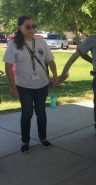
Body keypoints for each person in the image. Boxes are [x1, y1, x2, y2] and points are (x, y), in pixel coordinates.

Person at [3, 15, 59, 154]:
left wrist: (55, 76)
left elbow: (50, 61)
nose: (32, 29)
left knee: (41, 113)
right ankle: (25, 141)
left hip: (42, 85)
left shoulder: (41, 42)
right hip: (24, 86)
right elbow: (8, 67)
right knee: (27, 114)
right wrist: (12, 86)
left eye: (34, 26)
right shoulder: (14, 44)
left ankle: (43, 138)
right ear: (19, 28)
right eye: (28, 26)